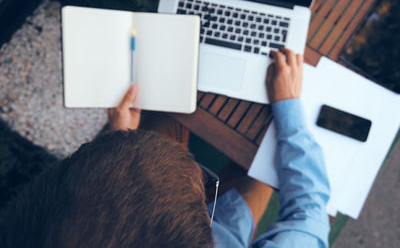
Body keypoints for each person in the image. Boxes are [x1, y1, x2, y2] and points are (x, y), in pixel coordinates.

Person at [0, 48, 330, 247]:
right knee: (269, 156)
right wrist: (288, 105)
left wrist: (120, 147)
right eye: (198, 198)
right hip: (232, 232)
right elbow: (310, 215)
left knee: (156, 121)